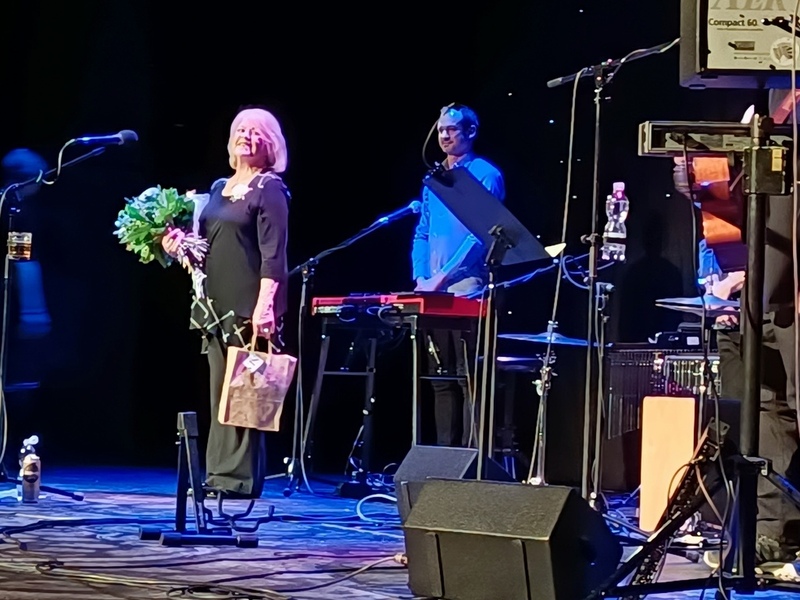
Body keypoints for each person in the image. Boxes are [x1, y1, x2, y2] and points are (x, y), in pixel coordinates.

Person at [162, 107, 290, 499]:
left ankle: (239, 480)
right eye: (240, 129)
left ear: (270, 142)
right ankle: (218, 475)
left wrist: (266, 307)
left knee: (246, 394)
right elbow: (204, 249)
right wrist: (176, 245)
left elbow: (274, 255)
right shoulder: (219, 188)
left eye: (255, 131)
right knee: (221, 392)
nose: (246, 136)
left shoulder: (269, 189)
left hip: (249, 306)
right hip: (214, 306)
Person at [411, 103, 505, 447]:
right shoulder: (435, 179)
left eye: (451, 129)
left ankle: (469, 459)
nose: (445, 136)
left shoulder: (485, 174)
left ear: (470, 132)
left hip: (467, 292)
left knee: (469, 380)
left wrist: (443, 277)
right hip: (432, 294)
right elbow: (422, 232)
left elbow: (480, 235)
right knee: (440, 379)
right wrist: (421, 277)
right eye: (440, 130)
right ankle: (442, 459)